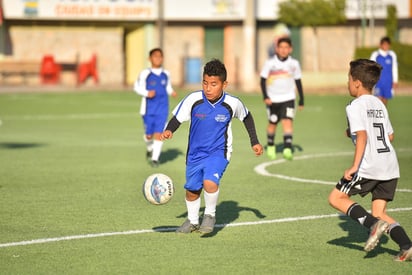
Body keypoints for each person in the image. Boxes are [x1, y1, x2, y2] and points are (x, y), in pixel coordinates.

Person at [161, 59, 264, 234]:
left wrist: (254, 141)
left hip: (219, 152)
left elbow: (247, 117)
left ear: (224, 84)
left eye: (214, 84)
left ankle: (209, 215)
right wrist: (169, 130)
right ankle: (193, 221)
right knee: (192, 191)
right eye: (205, 83)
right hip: (194, 154)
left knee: (210, 181)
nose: (208, 88)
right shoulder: (194, 99)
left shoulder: (232, 103)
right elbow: (178, 118)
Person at [328, 59, 412, 262]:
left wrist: (355, 166)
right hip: (390, 166)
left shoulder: (355, 105)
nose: (347, 83)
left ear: (356, 82)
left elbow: (364, 136)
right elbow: (389, 136)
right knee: (379, 212)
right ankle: (407, 247)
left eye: (348, 79)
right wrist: (354, 133)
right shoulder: (379, 104)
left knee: (336, 198)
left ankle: (372, 225)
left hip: (370, 166)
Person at [260, 37, 304, 160]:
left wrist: (301, 99)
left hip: (289, 98)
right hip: (273, 100)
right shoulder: (270, 63)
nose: (284, 50)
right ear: (277, 49)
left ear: (290, 49)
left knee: (287, 121)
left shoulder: (294, 64)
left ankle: (287, 148)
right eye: (281, 47)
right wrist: (265, 96)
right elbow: (263, 80)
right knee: (273, 123)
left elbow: (298, 80)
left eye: (286, 48)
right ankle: (271, 146)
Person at [134, 48, 176, 167]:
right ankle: (149, 147)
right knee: (148, 135)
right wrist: (147, 93)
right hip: (148, 109)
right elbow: (137, 87)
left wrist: (171, 92)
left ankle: (155, 159)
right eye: (155, 56)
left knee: (159, 133)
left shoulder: (166, 74)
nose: (158, 58)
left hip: (162, 108)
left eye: (160, 56)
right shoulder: (145, 74)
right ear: (150, 58)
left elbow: (167, 87)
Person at [370, 36, 398, 106]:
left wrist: (395, 81)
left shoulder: (392, 55)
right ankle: (378, 115)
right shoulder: (375, 55)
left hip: (388, 82)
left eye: (387, 44)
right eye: (384, 44)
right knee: (378, 100)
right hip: (378, 82)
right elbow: (370, 68)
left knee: (385, 100)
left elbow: (394, 68)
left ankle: (383, 116)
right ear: (381, 45)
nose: (386, 46)